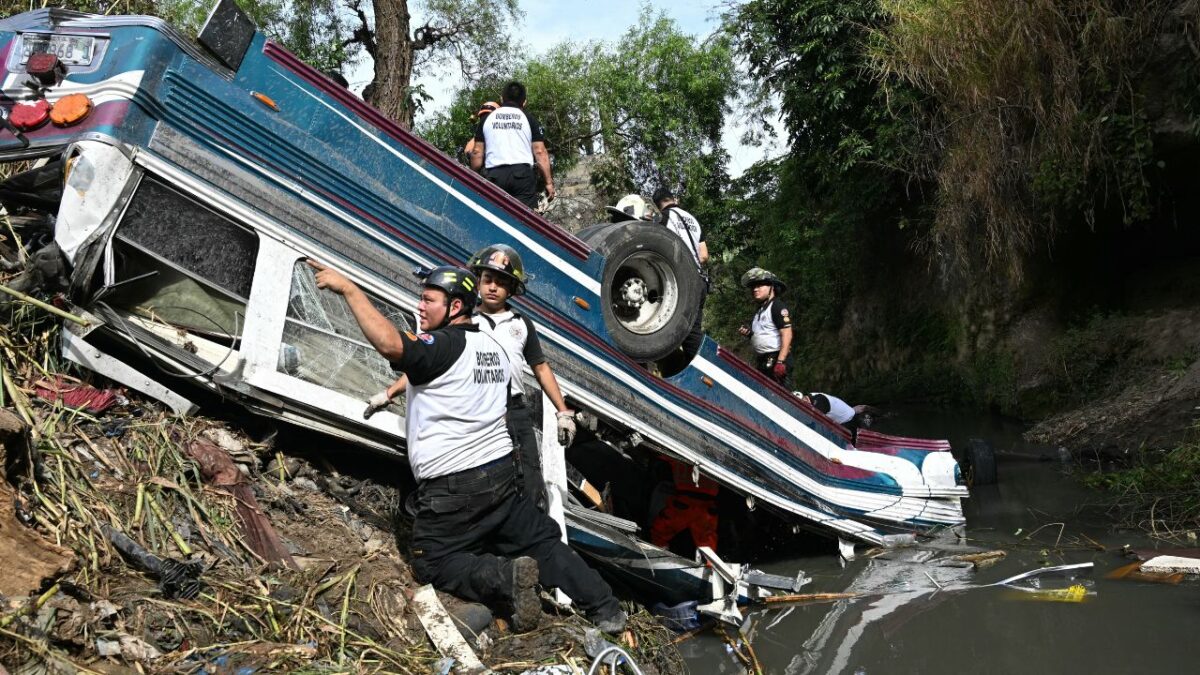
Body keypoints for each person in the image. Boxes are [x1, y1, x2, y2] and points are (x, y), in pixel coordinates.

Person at [307, 259, 626, 634]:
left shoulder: (442, 345)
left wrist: (350, 289)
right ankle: (606, 608)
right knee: (541, 541)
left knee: (432, 560)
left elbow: (391, 345)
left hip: (456, 487)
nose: (419, 307)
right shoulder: (489, 344)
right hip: (501, 472)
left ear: (455, 307)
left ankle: (505, 578)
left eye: (428, 300)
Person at [470, 82, 554, 209]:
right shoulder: (529, 119)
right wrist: (548, 182)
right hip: (522, 177)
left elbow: (476, 152)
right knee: (524, 221)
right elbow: (540, 152)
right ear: (524, 102)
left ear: (502, 99)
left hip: (495, 177)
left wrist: (474, 174)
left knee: (495, 217)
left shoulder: (487, 119)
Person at [652, 187, 708, 359]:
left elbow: (656, 244)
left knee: (672, 324)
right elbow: (704, 255)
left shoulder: (665, 217)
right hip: (701, 280)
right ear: (673, 199)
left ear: (658, 204)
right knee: (693, 328)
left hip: (683, 279)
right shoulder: (693, 220)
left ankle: (699, 368)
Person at [649, 457, 719, 555]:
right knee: (707, 542)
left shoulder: (678, 454)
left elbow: (663, 453)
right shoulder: (715, 458)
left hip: (686, 503)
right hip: (705, 506)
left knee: (660, 532)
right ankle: (709, 564)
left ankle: (658, 554)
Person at [738, 267, 792, 384]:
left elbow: (787, 334)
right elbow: (766, 334)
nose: (755, 289)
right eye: (753, 287)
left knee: (780, 398)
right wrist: (750, 334)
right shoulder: (760, 310)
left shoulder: (777, 306)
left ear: (771, 287)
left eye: (760, 286)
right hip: (763, 360)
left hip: (776, 359)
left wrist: (781, 362)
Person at [802, 392, 876, 442]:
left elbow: (816, 420)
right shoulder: (813, 396)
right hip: (846, 417)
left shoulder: (820, 401)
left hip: (849, 422)